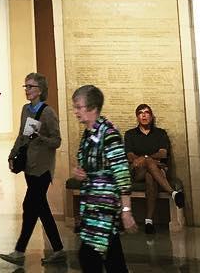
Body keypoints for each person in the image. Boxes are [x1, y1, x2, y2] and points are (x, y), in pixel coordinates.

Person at [0, 71, 66, 266]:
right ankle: (58, 250)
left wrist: (40, 138)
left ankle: (20, 251)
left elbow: (57, 141)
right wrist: (12, 154)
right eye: (26, 86)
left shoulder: (48, 112)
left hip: (42, 169)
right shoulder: (25, 109)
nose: (27, 90)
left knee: (30, 206)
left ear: (40, 90)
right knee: (39, 208)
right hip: (29, 166)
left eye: (30, 86)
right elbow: (22, 136)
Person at [71, 84, 135, 273]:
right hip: (91, 205)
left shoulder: (109, 134)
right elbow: (89, 163)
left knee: (89, 256)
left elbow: (122, 173)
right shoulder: (88, 133)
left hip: (104, 207)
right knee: (111, 258)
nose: (75, 112)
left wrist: (126, 211)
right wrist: (81, 172)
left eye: (79, 107)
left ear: (92, 108)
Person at [124, 103, 184, 233]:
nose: (144, 115)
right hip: (138, 171)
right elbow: (130, 156)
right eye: (140, 113)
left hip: (157, 171)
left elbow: (163, 153)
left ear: (151, 116)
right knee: (148, 164)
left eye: (147, 112)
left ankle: (149, 221)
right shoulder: (130, 134)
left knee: (150, 176)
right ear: (137, 117)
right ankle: (172, 193)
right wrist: (149, 160)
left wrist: (145, 158)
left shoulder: (160, 133)